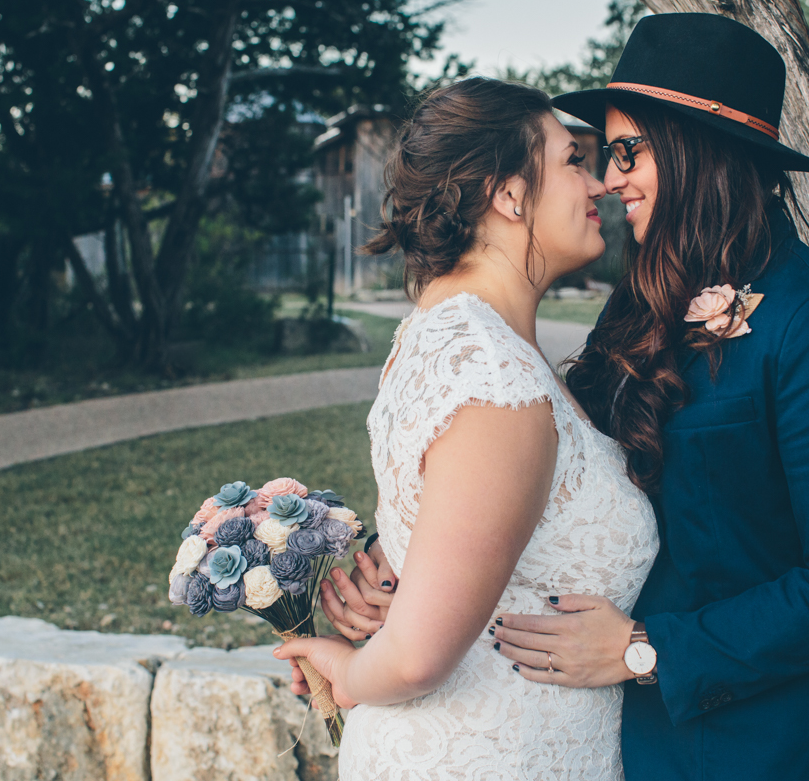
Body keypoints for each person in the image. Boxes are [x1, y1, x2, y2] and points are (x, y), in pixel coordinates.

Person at [322, 15, 809, 780]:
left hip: (753, 748)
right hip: (611, 743)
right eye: (599, 156)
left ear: (700, 149)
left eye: (627, 151)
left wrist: (648, 650)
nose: (610, 179)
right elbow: (538, 472)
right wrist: (404, 552)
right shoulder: (639, 305)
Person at [274, 76, 660, 780]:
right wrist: (347, 670)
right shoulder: (492, 374)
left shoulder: (451, 339)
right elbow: (419, 656)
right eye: (573, 160)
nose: (598, 183)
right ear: (510, 195)